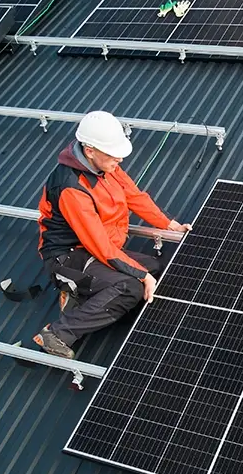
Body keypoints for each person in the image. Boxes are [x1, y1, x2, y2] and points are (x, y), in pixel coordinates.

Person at [33, 110, 190, 359]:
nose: (119, 159)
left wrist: (169, 224)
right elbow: (100, 247)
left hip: (96, 249)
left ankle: (83, 292)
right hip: (68, 256)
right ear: (90, 150)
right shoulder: (71, 188)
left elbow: (133, 196)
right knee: (131, 287)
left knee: (154, 266)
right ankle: (58, 333)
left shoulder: (106, 165)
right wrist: (141, 276)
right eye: (112, 153)